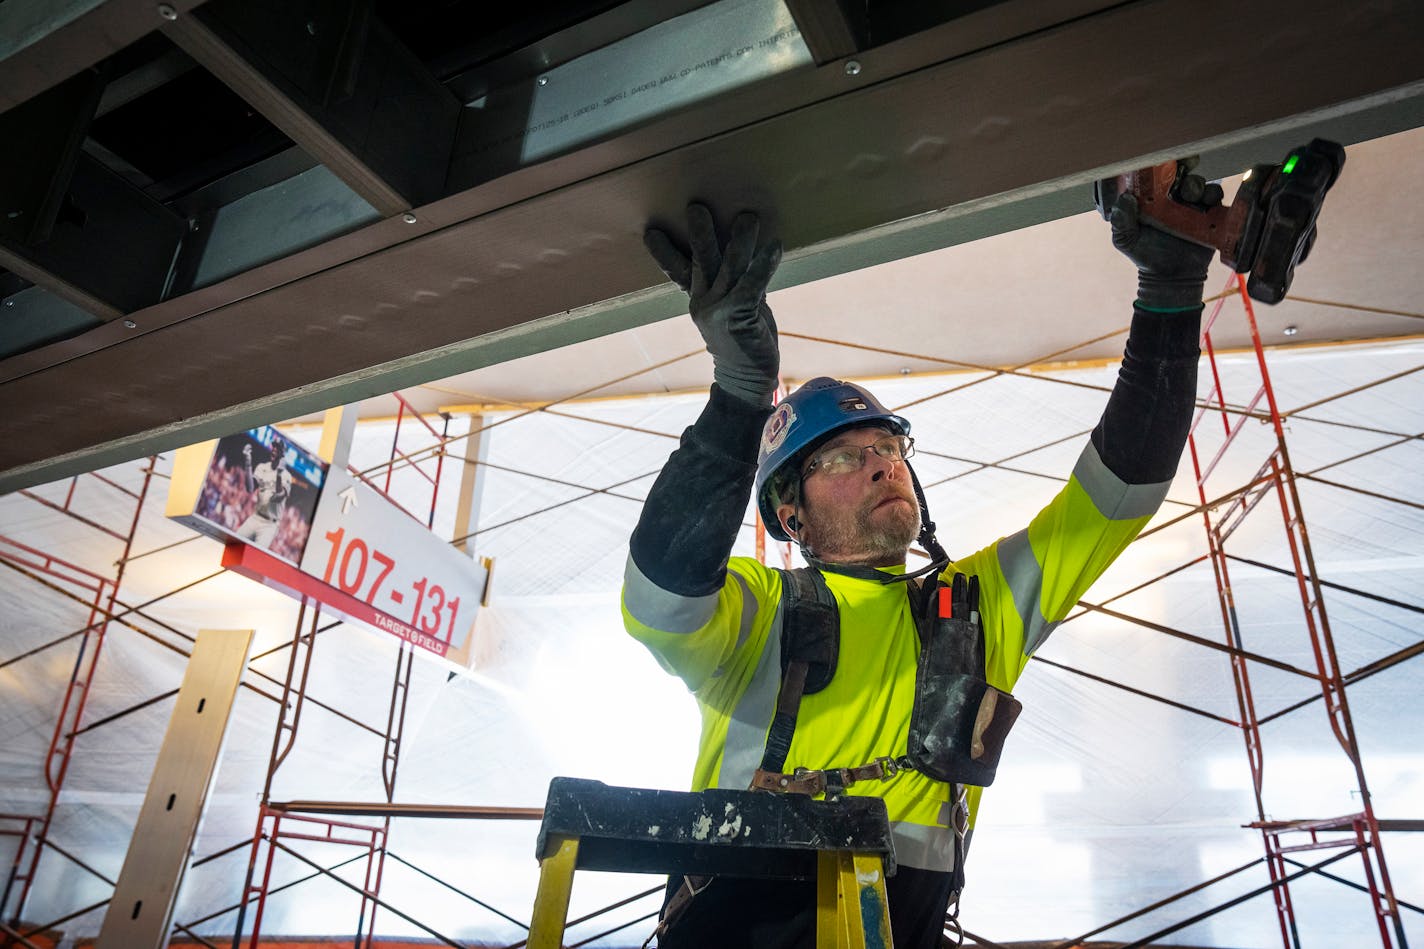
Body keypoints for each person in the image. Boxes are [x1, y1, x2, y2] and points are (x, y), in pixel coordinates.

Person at [622, 193, 1213, 948]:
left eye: (887, 449)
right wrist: (740, 392)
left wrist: (1169, 295)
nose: (877, 465)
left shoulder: (979, 601)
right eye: (841, 456)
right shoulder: (762, 609)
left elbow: (1117, 494)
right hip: (741, 922)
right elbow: (661, 598)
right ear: (789, 512)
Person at [237, 438, 293, 549]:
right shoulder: (262, 467)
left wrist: (279, 475)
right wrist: (248, 463)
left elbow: (278, 497)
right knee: (235, 541)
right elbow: (250, 488)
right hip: (256, 517)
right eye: (274, 447)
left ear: (283, 455)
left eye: (278, 449)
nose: (274, 450)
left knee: (257, 553)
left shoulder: (286, 475)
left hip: (269, 524)